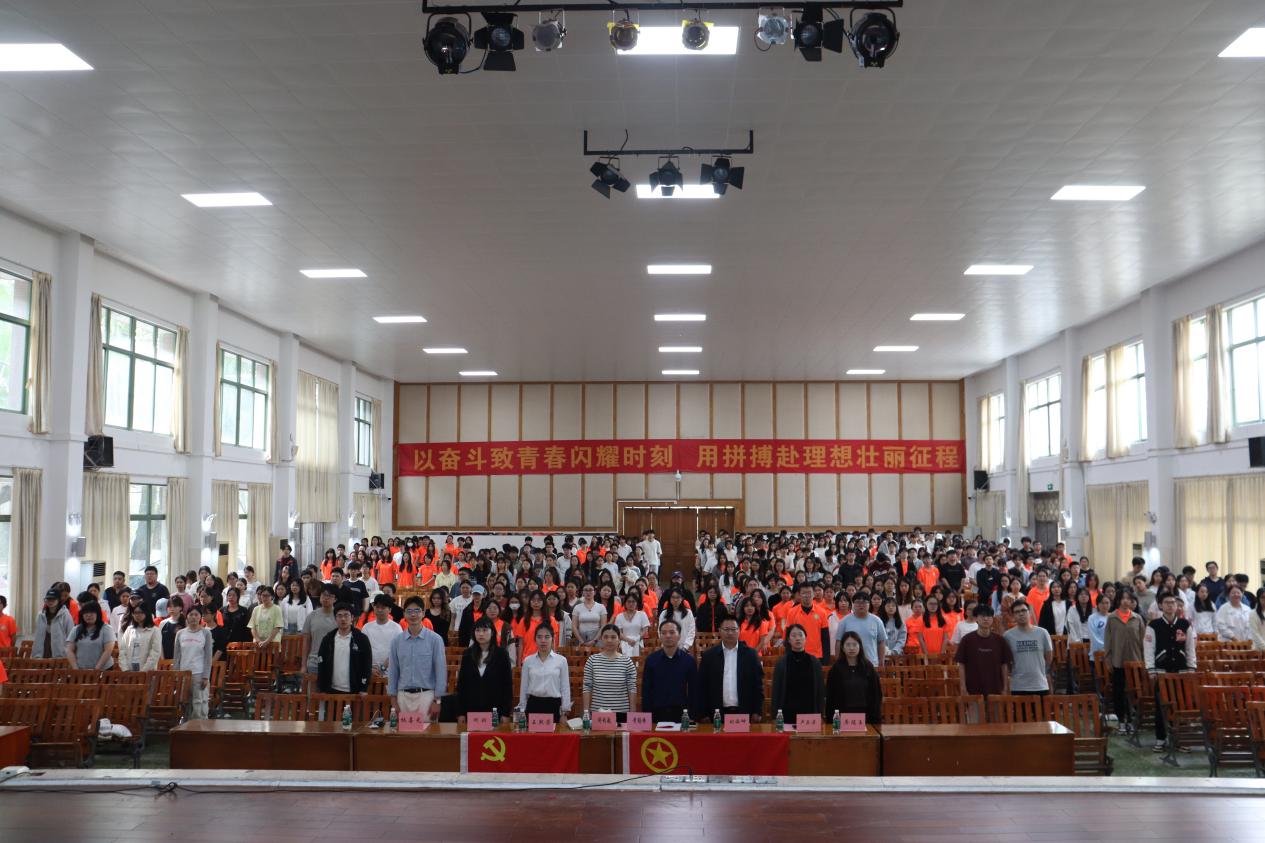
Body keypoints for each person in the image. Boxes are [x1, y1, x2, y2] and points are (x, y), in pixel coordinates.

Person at [1144, 591, 1197, 752]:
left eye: (1173, 602)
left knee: (1181, 706)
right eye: (1167, 603)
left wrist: (1191, 668)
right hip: (1161, 672)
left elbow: (1190, 648)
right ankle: (1161, 739)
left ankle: (1180, 739)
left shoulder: (1184, 624)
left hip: (1181, 671)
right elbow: (1148, 649)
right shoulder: (1153, 625)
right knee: (1161, 706)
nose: (1170, 605)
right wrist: (1151, 669)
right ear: (1160, 605)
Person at [388, 596, 446, 718]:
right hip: (403, 697)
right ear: (404, 614)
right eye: (409, 611)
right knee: (404, 730)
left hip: (426, 696)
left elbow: (440, 671)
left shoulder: (435, 640)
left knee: (426, 731)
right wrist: (393, 699)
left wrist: (437, 700)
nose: (413, 614)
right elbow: (393, 671)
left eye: (417, 610)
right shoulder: (396, 641)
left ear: (423, 613)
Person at [695, 617, 763, 720]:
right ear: (719, 631)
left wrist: (757, 711)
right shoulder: (709, 656)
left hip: (744, 712)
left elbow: (758, 685)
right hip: (717, 713)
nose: (730, 633)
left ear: (739, 630)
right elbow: (702, 686)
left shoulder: (751, 655)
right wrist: (703, 713)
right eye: (726, 629)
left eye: (733, 629)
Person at [1103, 590, 1145, 731]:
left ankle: (1132, 719)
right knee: (1119, 692)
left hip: (1135, 661)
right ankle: (1121, 720)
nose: (1126, 601)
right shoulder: (1112, 618)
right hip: (1118, 660)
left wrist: (1144, 660)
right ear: (1119, 600)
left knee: (1134, 692)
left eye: (1129, 598)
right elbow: (1108, 641)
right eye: (1123, 598)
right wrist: (1108, 659)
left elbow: (1143, 641)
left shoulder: (1137, 618)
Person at [456, 617, 514, 719]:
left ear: (492, 633)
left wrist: (505, 713)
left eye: (485, 630)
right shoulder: (467, 654)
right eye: (477, 630)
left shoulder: (501, 654)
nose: (481, 634)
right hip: (472, 709)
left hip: (495, 709)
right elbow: (462, 684)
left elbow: (507, 685)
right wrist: (460, 712)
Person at [641, 618, 697, 723]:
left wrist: (692, 715)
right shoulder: (651, 660)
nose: (668, 636)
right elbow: (646, 690)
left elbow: (693, 691)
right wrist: (647, 716)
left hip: (682, 714)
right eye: (664, 633)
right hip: (656, 713)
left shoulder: (689, 661)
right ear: (660, 636)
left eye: (672, 632)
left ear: (679, 636)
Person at [824, 631, 883, 725]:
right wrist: (832, 722)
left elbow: (876, 694)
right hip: (842, 717)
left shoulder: (868, 667)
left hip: (865, 717)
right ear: (842, 648)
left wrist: (875, 718)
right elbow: (831, 697)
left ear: (860, 646)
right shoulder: (836, 669)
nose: (851, 648)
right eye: (848, 645)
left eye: (855, 644)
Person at [771, 624, 824, 724]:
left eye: (800, 635)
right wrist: (775, 715)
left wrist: (821, 714)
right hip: (787, 713)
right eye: (794, 635)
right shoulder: (782, 663)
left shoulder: (815, 662)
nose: (797, 638)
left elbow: (820, 691)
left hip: (809, 714)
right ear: (788, 640)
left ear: (805, 638)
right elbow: (776, 691)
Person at [955, 605, 1012, 697]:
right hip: (973, 690)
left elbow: (1004, 665)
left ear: (992, 619)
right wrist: (963, 687)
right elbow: (961, 665)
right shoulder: (967, 640)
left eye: (989, 616)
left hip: (996, 689)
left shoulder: (1000, 640)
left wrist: (1005, 688)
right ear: (976, 618)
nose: (986, 619)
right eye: (982, 616)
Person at [518, 623, 570, 722]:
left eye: (547, 637)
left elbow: (565, 687)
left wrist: (565, 711)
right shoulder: (528, 661)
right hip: (533, 705)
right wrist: (522, 709)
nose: (543, 640)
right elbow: (524, 687)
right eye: (539, 637)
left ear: (552, 639)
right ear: (535, 639)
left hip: (554, 705)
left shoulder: (561, 660)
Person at [316, 603, 373, 694]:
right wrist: (322, 687)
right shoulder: (328, 639)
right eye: (339, 616)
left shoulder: (361, 639)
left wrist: (363, 688)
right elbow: (321, 663)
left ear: (352, 618)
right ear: (335, 618)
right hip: (331, 689)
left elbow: (367, 664)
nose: (343, 619)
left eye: (346, 615)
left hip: (354, 690)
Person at [583, 624, 638, 716]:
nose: (609, 640)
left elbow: (632, 688)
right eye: (606, 637)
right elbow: (587, 687)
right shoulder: (592, 660)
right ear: (601, 639)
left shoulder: (627, 661)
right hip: (598, 714)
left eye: (613, 637)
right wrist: (586, 712)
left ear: (619, 639)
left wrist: (632, 714)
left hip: (621, 713)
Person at [1002, 600, 1052, 696]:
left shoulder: (1042, 633)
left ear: (1029, 612)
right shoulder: (1007, 636)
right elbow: (1006, 660)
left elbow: (1048, 657)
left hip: (1040, 684)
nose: (1021, 614)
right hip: (1018, 686)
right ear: (1013, 616)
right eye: (1017, 612)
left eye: (1023, 610)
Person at [173, 605, 213, 720]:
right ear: (187, 616)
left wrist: (205, 677)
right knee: (184, 702)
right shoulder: (180, 633)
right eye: (191, 614)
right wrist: (176, 674)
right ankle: (186, 726)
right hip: (184, 674)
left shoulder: (206, 633)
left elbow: (208, 657)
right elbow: (177, 656)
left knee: (199, 703)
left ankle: (199, 727)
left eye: (196, 614)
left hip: (199, 673)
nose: (194, 617)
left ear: (200, 617)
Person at [838, 592, 887, 669]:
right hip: (849, 665)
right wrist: (839, 662)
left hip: (871, 663)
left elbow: (881, 642)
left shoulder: (877, 621)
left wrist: (881, 661)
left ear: (869, 604)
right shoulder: (844, 621)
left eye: (864, 602)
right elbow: (838, 642)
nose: (861, 605)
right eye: (858, 602)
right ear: (853, 604)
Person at [784, 582, 830, 660]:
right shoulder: (791, 612)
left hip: (817, 655)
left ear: (813, 594)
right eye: (804, 593)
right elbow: (788, 636)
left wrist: (826, 658)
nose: (807, 595)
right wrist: (789, 656)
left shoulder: (822, 612)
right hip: (797, 654)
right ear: (799, 595)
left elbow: (825, 637)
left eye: (809, 593)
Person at [361, 594, 402, 676]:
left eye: (383, 608)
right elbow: (362, 650)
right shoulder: (366, 627)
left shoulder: (396, 628)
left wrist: (383, 667)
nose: (379, 610)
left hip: (390, 673)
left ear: (390, 609)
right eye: (377, 607)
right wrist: (369, 668)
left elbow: (398, 651)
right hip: (370, 671)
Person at [67, 601, 115, 670]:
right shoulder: (76, 629)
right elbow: (69, 649)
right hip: (80, 670)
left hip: (103, 669)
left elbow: (108, 651)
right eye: (85, 613)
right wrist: (75, 668)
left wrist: (96, 669)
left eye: (92, 612)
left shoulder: (107, 629)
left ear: (98, 614)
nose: (88, 615)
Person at [303, 586, 339, 673]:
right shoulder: (311, 616)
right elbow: (306, 642)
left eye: (329, 596)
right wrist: (303, 665)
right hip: (314, 661)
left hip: (334, 662)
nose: (326, 598)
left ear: (335, 599)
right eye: (323, 595)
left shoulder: (339, 617)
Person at [119, 603, 162, 672]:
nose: (137, 615)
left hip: (147, 670)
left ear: (146, 613)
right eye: (135, 612)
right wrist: (125, 669)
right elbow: (122, 650)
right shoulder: (129, 629)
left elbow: (155, 653)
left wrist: (144, 671)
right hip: (129, 668)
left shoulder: (155, 630)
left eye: (140, 612)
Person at [34, 588, 73, 659]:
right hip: (43, 651)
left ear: (59, 600)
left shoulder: (65, 615)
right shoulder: (41, 615)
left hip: (59, 653)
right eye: (48, 599)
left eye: (53, 599)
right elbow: (37, 635)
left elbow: (70, 635)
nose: (50, 602)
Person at [613, 593, 651, 657]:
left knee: (637, 661)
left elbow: (645, 630)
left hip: (638, 642)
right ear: (625, 603)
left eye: (633, 601)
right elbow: (619, 632)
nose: (631, 604)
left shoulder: (642, 614)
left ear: (636, 603)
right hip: (624, 643)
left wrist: (635, 640)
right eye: (629, 601)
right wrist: (628, 640)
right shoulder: (619, 616)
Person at [248, 585, 283, 650]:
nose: (264, 598)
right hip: (258, 644)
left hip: (272, 643)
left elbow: (277, 627)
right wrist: (258, 641)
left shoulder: (277, 609)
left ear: (272, 597)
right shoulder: (256, 609)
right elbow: (252, 627)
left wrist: (267, 641)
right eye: (263, 595)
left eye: (267, 595)